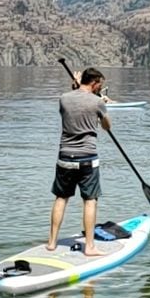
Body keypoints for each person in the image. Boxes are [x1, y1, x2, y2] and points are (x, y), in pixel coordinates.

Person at [47, 67, 111, 257]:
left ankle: (51, 243)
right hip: (87, 159)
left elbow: (72, 107)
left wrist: (75, 87)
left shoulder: (64, 98)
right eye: (101, 84)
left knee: (61, 198)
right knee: (90, 201)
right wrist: (103, 107)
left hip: (65, 158)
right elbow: (107, 127)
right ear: (95, 83)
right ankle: (90, 247)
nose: (101, 87)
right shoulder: (98, 101)